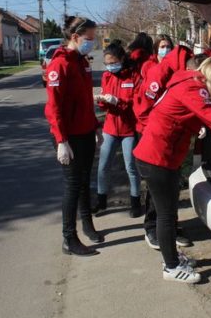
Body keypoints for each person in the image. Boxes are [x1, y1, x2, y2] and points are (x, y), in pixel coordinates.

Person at [133, 57, 211, 283]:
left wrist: (205, 126)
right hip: (157, 159)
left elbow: (189, 116)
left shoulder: (186, 82)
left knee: (167, 213)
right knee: (166, 215)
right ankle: (171, 267)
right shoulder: (194, 87)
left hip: (159, 156)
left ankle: (172, 259)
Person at [44, 16, 103, 257]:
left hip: (86, 131)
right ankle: (69, 238)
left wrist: (96, 126)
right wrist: (61, 141)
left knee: (84, 181)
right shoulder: (59, 65)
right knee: (72, 185)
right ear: (75, 37)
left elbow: (86, 100)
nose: (92, 43)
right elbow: (54, 107)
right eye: (89, 38)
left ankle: (88, 225)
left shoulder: (82, 62)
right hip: (68, 137)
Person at [134, 46, 202, 249]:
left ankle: (170, 227)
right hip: (154, 134)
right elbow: (143, 107)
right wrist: (155, 132)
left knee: (170, 188)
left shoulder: (184, 70)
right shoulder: (160, 72)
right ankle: (152, 228)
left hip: (170, 136)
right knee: (157, 187)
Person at [94, 40, 142, 218]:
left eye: (113, 63)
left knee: (131, 167)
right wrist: (102, 100)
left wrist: (118, 101)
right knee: (103, 166)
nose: (110, 67)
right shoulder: (107, 76)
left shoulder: (133, 76)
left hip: (128, 129)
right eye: (107, 64)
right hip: (110, 128)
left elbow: (137, 103)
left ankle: (136, 202)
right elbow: (106, 104)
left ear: (121, 59)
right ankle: (101, 202)